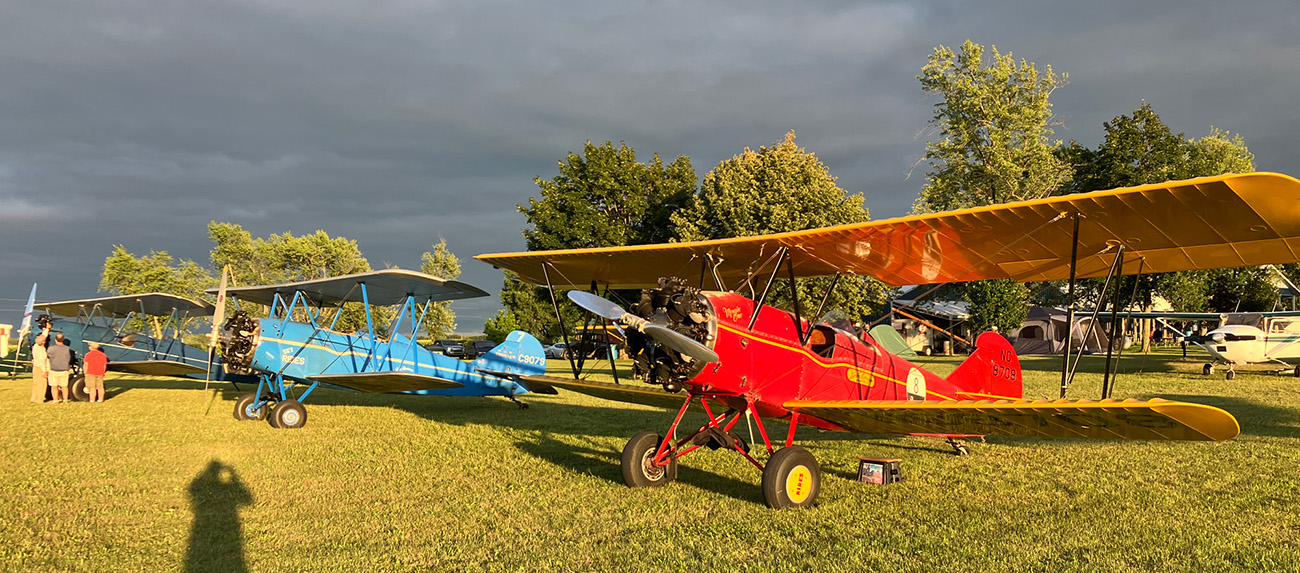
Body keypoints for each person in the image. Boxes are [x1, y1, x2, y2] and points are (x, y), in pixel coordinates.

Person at [46, 333, 73, 403]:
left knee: (54, 386)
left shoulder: (51, 348)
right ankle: (65, 399)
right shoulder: (67, 349)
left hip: (54, 370)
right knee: (64, 386)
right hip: (64, 370)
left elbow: (47, 356)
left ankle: (55, 400)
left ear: (55, 340)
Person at [30, 333, 49, 404]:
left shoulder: (35, 346)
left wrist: (46, 330)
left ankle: (34, 398)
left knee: (36, 383)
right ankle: (39, 399)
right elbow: (42, 361)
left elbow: (42, 336)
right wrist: (44, 371)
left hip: (36, 367)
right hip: (41, 368)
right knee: (42, 384)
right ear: (43, 342)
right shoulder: (41, 349)